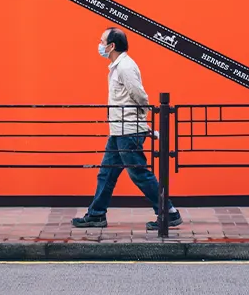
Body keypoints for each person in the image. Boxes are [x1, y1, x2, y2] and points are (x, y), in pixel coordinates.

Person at [72, 27, 182, 230]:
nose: (100, 45)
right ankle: (96, 215)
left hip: (128, 131)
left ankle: (169, 213)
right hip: (118, 130)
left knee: (139, 173)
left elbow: (141, 97)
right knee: (106, 173)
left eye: (102, 41)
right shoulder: (117, 66)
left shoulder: (125, 67)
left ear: (111, 46)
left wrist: (139, 121)